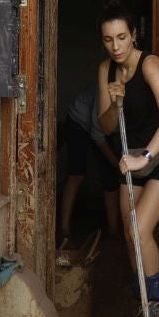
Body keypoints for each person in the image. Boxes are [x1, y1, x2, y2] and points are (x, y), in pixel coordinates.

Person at [95, 0, 159, 317]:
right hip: (131, 156)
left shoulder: (150, 65)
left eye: (122, 37)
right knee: (131, 238)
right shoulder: (106, 70)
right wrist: (114, 101)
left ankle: (158, 314)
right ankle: (145, 309)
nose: (116, 46)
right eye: (108, 39)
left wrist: (146, 155)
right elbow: (105, 125)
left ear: (134, 35)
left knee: (139, 225)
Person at [57, 84, 121, 264]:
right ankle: (64, 230)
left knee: (110, 178)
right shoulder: (104, 98)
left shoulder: (135, 104)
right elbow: (97, 135)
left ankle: (114, 232)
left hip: (104, 127)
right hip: (79, 121)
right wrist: (116, 163)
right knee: (76, 173)